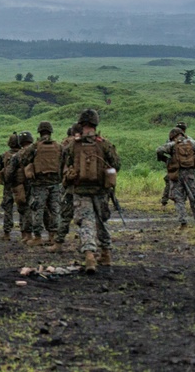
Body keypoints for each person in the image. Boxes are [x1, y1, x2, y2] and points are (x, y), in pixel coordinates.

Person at [62, 109, 121, 274]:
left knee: (86, 221)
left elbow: (65, 163)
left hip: (80, 190)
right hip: (101, 190)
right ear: (96, 124)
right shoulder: (104, 144)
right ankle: (106, 253)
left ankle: (89, 255)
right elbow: (116, 164)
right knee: (101, 221)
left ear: (81, 124)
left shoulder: (73, 144)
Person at [20, 122, 63, 251]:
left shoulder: (35, 147)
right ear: (50, 132)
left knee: (37, 209)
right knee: (55, 209)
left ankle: (37, 237)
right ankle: (53, 236)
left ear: (39, 132)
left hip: (39, 184)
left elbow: (24, 159)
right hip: (55, 183)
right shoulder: (58, 147)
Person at [156, 128, 195, 229]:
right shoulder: (193, 143)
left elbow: (159, 150)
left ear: (172, 136)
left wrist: (166, 160)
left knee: (179, 199)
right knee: (194, 198)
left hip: (176, 174)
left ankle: (183, 223)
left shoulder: (172, 145)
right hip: (190, 174)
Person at [53, 125, 81, 250]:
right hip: (85, 187)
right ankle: (86, 244)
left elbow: (60, 165)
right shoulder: (89, 144)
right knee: (86, 217)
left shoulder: (66, 145)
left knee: (65, 215)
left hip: (69, 185)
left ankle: (58, 243)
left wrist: (62, 181)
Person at [0, 133, 27, 241]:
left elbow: (0, 169)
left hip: (8, 186)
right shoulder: (23, 154)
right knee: (23, 208)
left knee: (7, 208)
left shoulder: (4, 155)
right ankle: (24, 233)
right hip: (20, 185)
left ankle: (7, 233)